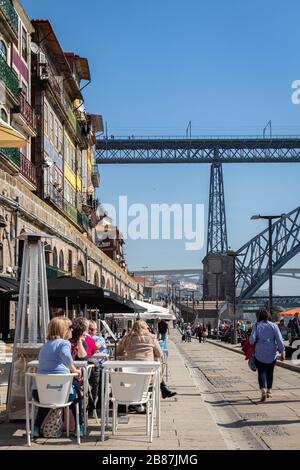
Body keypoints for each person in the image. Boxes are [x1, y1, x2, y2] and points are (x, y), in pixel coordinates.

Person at [32, 317, 83, 437]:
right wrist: (75, 370)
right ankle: (79, 426)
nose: (72, 330)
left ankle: (36, 427)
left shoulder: (44, 346)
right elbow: (66, 356)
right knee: (77, 395)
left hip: (39, 392)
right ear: (64, 330)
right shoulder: (64, 343)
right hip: (61, 392)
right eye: (70, 328)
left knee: (47, 399)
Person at [116, 320, 176, 407]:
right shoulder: (151, 337)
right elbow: (160, 353)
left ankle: (162, 389)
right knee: (156, 361)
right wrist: (151, 355)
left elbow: (117, 353)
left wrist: (127, 353)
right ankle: (162, 387)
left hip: (130, 373)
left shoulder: (126, 338)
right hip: (148, 373)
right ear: (146, 327)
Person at [250, 308, 285, 402]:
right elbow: (279, 339)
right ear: (268, 316)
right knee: (270, 372)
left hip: (260, 352)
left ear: (259, 317)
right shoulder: (274, 325)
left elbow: (252, 340)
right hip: (272, 352)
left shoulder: (256, 326)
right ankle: (269, 391)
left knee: (261, 372)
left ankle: (263, 390)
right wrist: (282, 351)